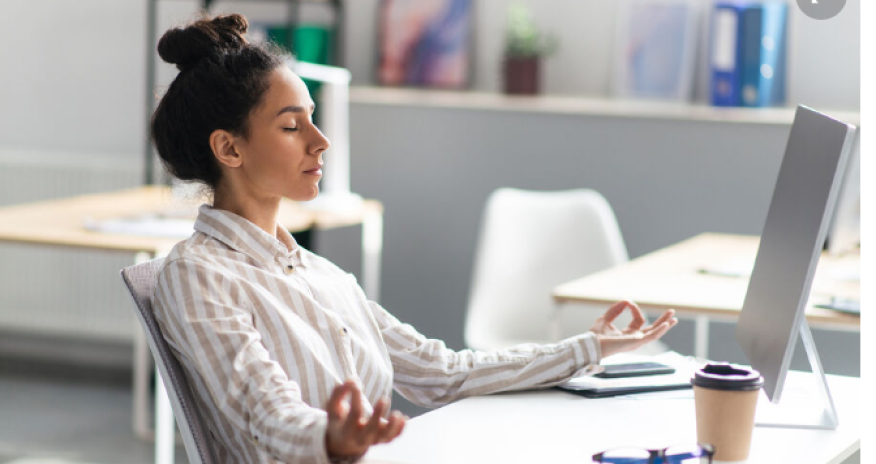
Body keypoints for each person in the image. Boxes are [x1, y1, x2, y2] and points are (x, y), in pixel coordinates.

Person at [150, 13, 679, 464]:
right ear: (229, 148)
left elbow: (442, 372)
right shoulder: (198, 274)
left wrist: (588, 347)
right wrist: (331, 438)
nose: (321, 140)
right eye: (293, 127)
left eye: (313, 118)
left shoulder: (319, 274)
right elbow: (261, 414)